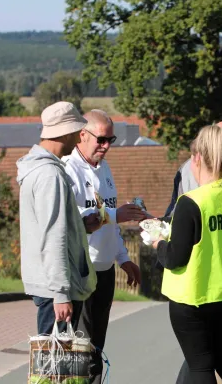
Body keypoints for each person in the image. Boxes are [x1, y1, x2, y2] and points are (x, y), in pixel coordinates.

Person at [153, 125, 222, 384]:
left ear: (197, 158)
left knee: (200, 365)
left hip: (195, 297)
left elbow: (175, 257)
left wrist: (158, 245)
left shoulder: (190, 203)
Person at [62, 109, 146, 383]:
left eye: (111, 139)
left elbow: (110, 220)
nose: (106, 146)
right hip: (81, 271)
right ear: (82, 135)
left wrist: (123, 258)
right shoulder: (68, 169)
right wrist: (113, 215)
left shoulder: (105, 169)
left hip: (105, 270)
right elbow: (75, 222)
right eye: (101, 139)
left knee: (96, 348)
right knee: (79, 349)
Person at [16, 101, 97, 335]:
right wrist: (61, 294)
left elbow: (48, 227)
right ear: (66, 132)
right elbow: (53, 236)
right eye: (76, 132)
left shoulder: (41, 170)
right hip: (55, 289)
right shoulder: (50, 174)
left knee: (54, 365)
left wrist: (81, 226)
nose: (79, 138)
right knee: (55, 367)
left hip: (49, 284)